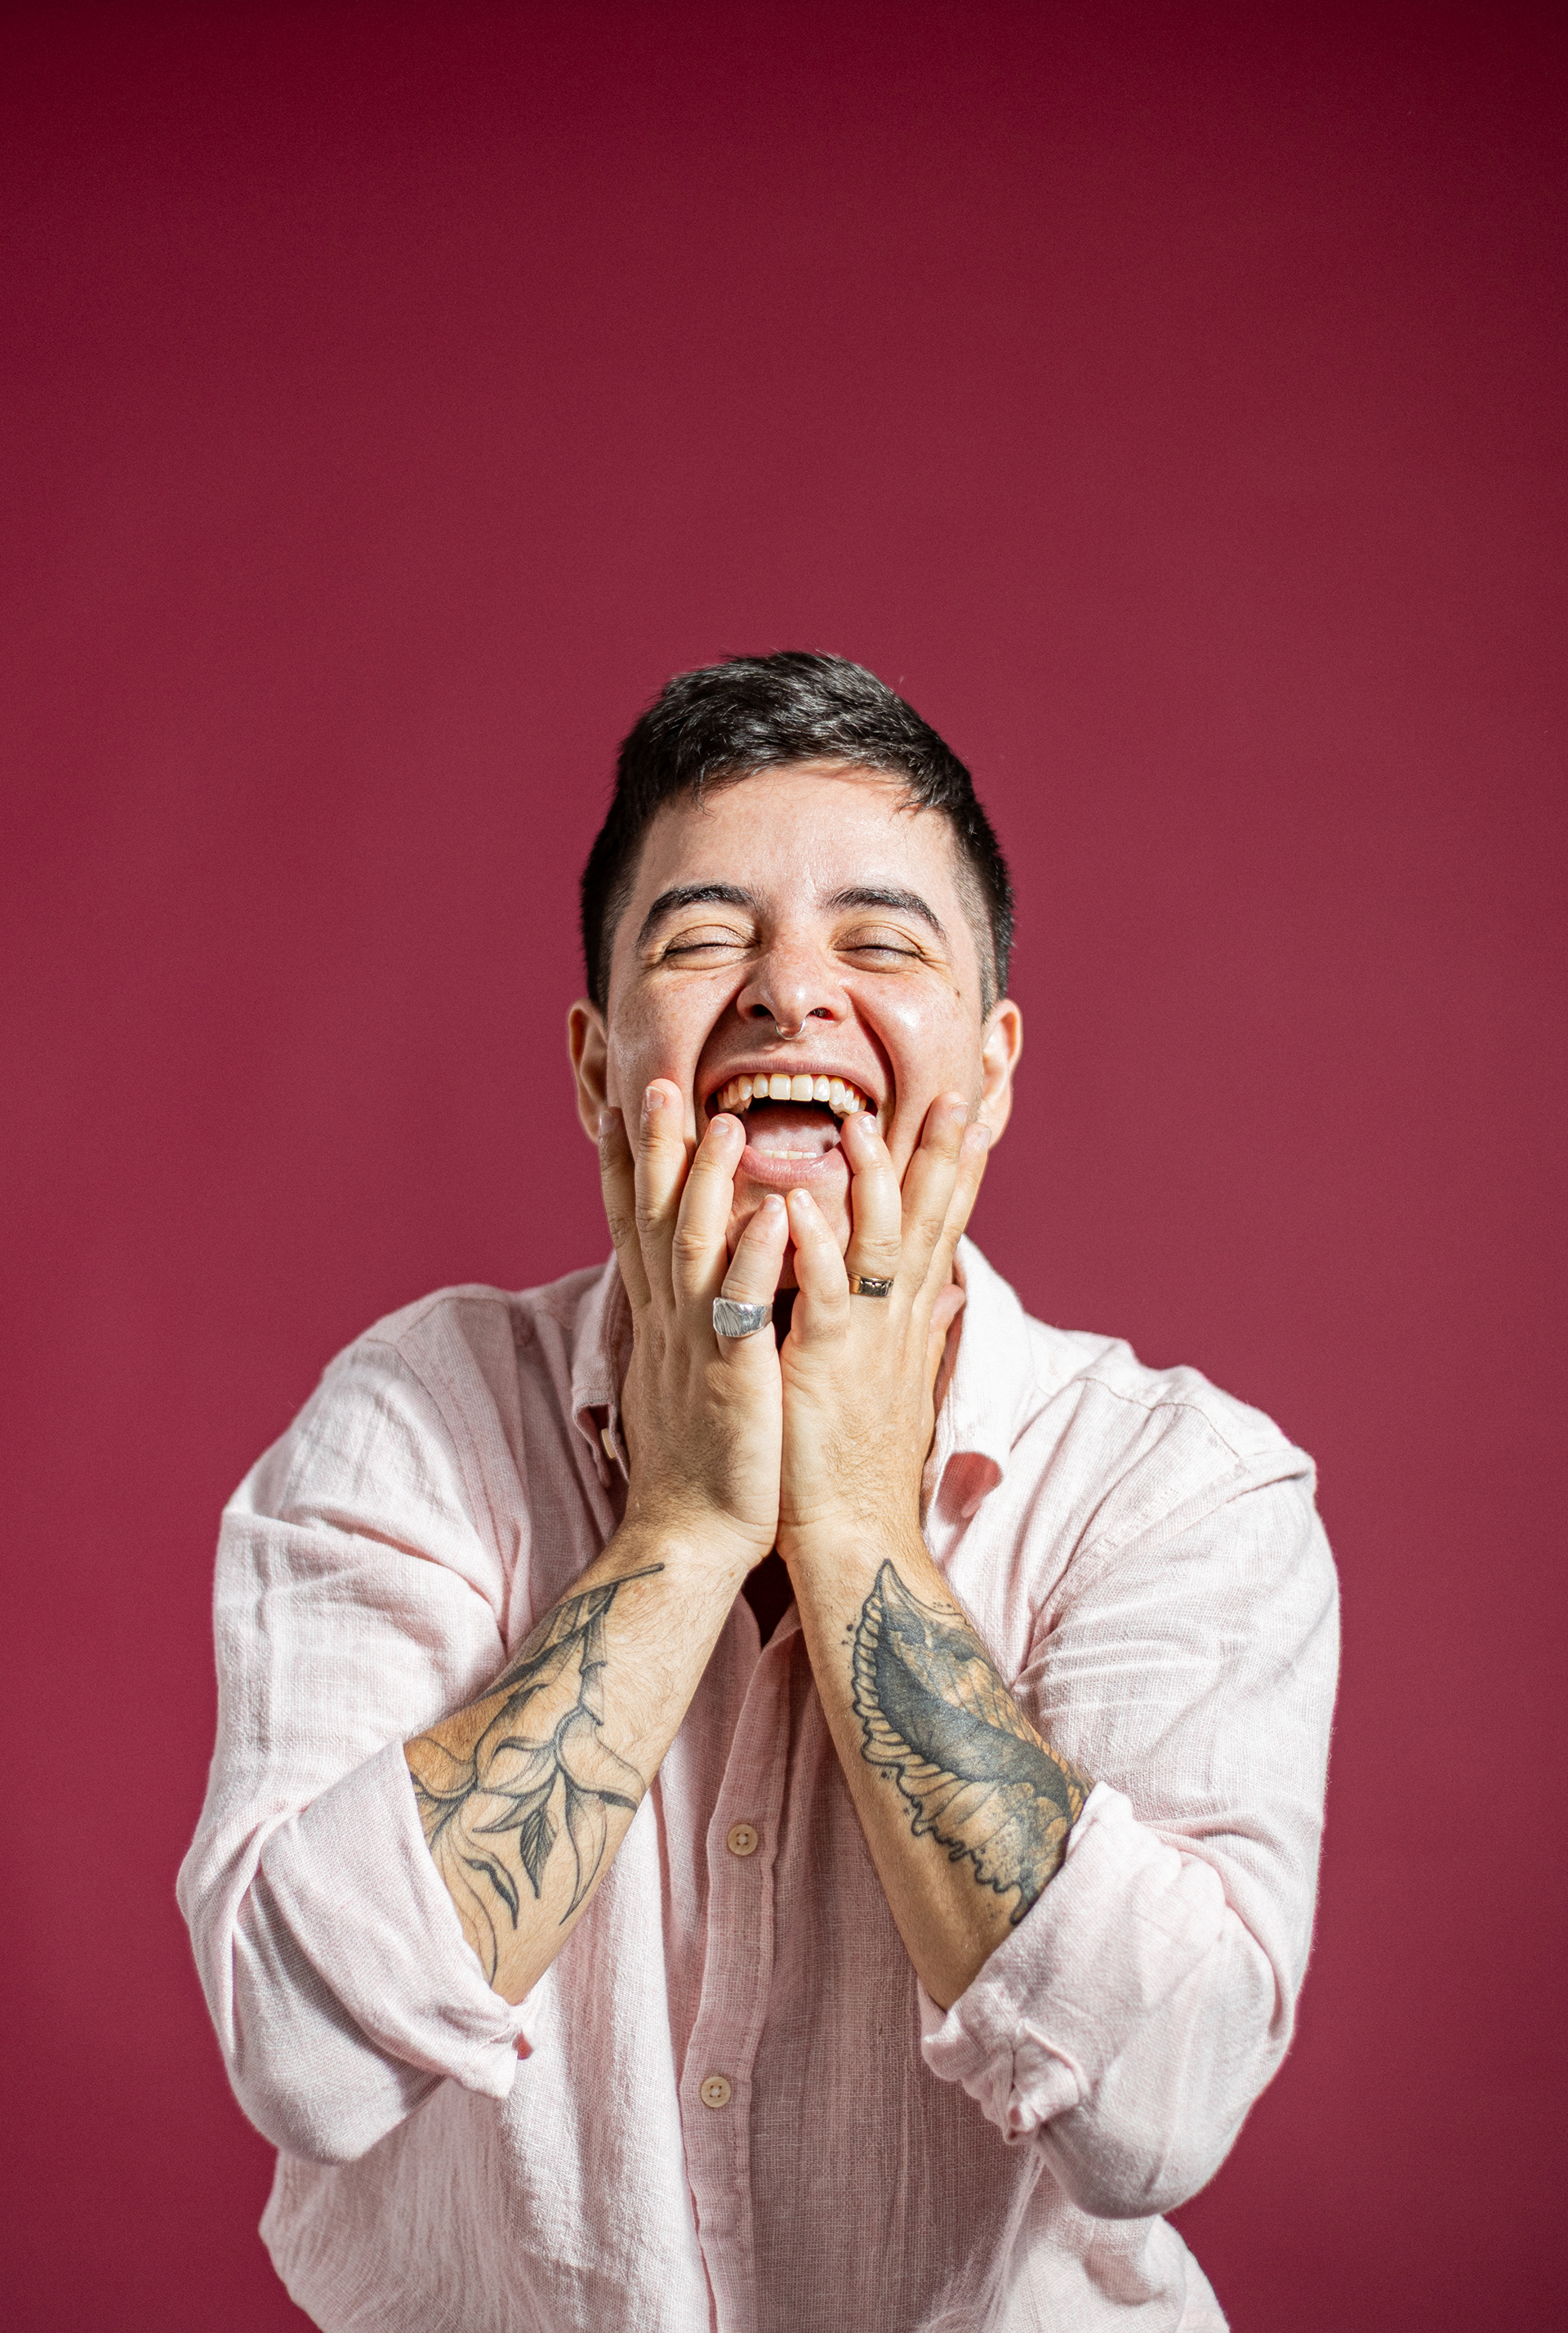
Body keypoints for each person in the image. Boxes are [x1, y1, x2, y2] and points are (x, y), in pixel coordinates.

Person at [179, 652, 1338, 2333]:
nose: (792, 995)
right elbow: (306, 2054)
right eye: (703, 937)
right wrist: (683, 1529)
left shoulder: (1181, 1486)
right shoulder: (412, 1421)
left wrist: (855, 1524)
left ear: (991, 1071)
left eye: (882, 941)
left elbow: (1157, 2107)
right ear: (598, 1070)